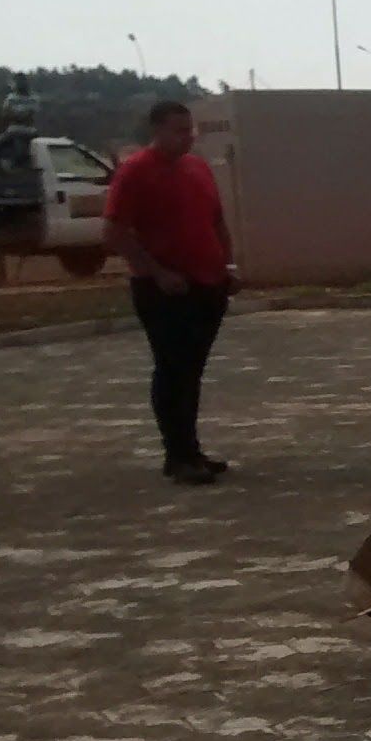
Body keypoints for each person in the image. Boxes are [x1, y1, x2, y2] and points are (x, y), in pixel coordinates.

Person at [103, 100, 235, 486]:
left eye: (190, 129)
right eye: (179, 129)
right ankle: (176, 454)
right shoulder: (136, 172)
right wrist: (157, 272)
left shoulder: (198, 168)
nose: (188, 136)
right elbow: (113, 234)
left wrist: (227, 267)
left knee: (192, 372)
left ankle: (191, 449)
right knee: (173, 369)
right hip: (164, 289)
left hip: (208, 285)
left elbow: (216, 221)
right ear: (157, 130)